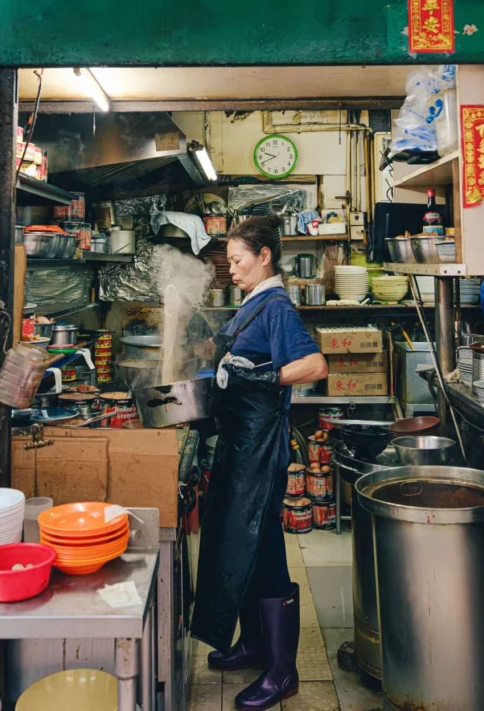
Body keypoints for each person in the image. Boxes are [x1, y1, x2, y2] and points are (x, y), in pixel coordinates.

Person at [191, 216, 327, 711]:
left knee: (264, 549)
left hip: (261, 449)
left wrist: (266, 378)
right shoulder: (251, 303)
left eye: (237, 260)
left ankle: (282, 671)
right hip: (239, 446)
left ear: (264, 256)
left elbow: (314, 365)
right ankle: (252, 644)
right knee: (240, 545)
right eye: (228, 261)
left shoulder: (277, 306)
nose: (231, 269)